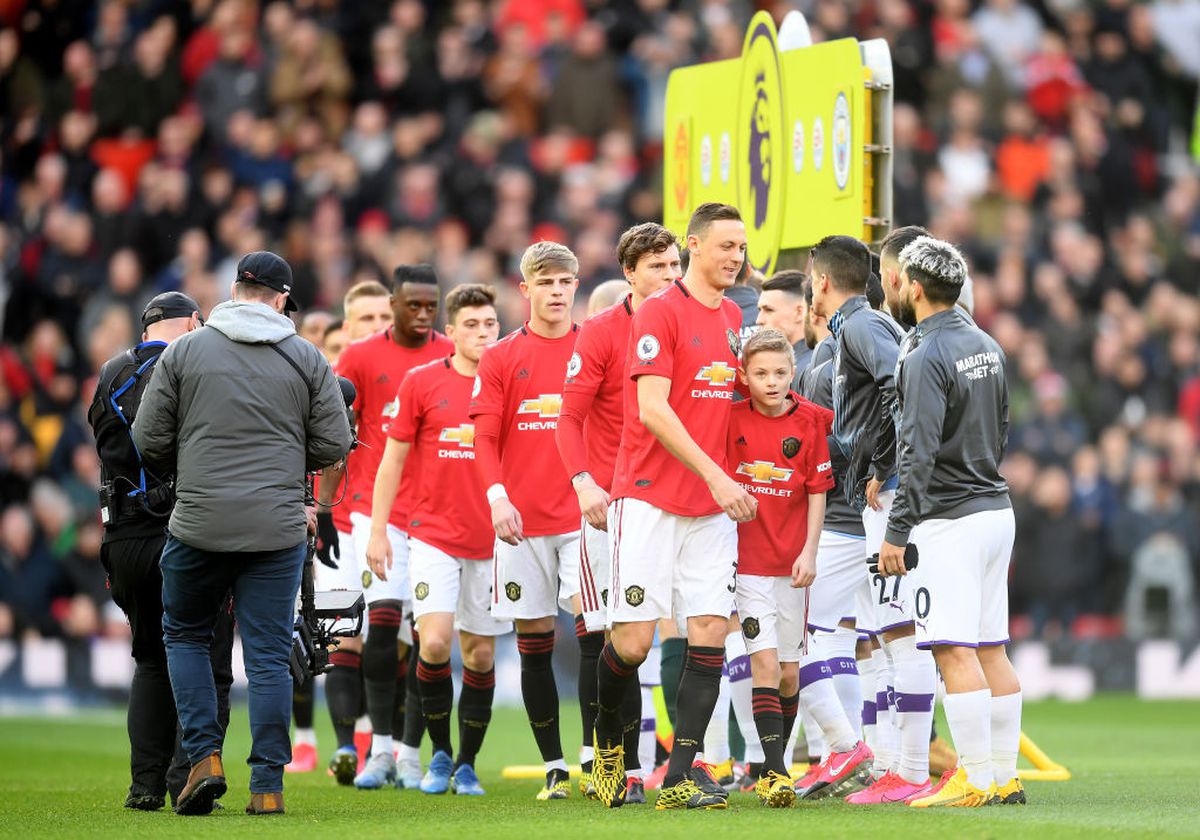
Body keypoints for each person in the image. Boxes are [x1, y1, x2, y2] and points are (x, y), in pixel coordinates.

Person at [133, 251, 353, 816]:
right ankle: (267, 785)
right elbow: (333, 444)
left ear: (233, 291)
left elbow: (147, 439)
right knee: (269, 657)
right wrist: (282, 452)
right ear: (281, 299)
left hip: (198, 522)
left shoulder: (184, 350)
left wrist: (198, 454)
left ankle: (204, 758)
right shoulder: (305, 357)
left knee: (183, 635)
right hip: (276, 529)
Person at [590, 202, 754, 811]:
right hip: (651, 500)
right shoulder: (658, 313)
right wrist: (717, 476)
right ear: (693, 246)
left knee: (709, 630)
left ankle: (682, 772)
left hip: (711, 509)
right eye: (725, 245)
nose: (736, 256)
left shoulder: (735, 315)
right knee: (631, 644)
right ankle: (610, 750)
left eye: (741, 246)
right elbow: (655, 410)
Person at [877, 236, 1023, 808]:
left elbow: (918, 452)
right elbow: (1004, 424)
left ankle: (975, 778)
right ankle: (1004, 776)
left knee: (952, 650)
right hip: (995, 509)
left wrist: (896, 532)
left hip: (949, 520)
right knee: (992, 648)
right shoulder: (987, 343)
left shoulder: (922, 353)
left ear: (914, 287)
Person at [88, 291, 234, 812]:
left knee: (150, 660)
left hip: (122, 540)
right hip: (182, 534)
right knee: (207, 656)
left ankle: (144, 786)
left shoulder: (108, 375)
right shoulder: (192, 367)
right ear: (194, 323)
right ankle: (188, 778)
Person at [810, 234, 940, 803]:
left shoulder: (862, 327)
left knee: (901, 635)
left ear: (819, 282)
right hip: (873, 499)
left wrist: (882, 464)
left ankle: (910, 771)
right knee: (881, 636)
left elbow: (902, 390)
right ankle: (885, 762)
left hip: (885, 499)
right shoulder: (851, 330)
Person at [365, 284, 509, 797]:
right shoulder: (423, 382)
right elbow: (392, 461)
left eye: (489, 324)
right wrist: (379, 531)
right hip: (433, 537)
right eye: (470, 325)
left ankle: (467, 762)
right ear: (450, 332)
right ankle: (439, 754)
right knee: (434, 642)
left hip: (495, 541)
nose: (482, 333)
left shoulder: (509, 381)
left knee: (480, 657)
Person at [556, 222, 681, 806]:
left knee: (702, 631)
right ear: (629, 274)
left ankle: (695, 766)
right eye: (657, 267)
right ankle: (618, 762)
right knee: (619, 640)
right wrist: (583, 483)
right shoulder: (604, 333)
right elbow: (569, 417)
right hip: (615, 507)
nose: (670, 277)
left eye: (674, 265)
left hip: (686, 505)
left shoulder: (699, 320)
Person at [469, 240, 583, 801]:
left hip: (587, 517)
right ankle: (556, 767)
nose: (557, 292)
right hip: (521, 520)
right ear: (526, 290)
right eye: (547, 282)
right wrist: (496, 497)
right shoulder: (499, 358)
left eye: (565, 282)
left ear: (576, 287)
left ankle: (597, 756)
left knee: (599, 635)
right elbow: (484, 437)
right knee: (534, 638)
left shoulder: (596, 349)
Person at [330, 266, 451, 790]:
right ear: (395, 302)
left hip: (436, 515)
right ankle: (378, 749)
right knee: (380, 623)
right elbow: (333, 432)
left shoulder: (450, 352)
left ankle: (409, 752)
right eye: (413, 306)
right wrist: (321, 507)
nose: (423, 316)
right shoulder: (358, 357)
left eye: (431, 306)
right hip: (371, 512)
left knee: (427, 637)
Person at [725, 328, 836, 808]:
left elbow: (817, 489)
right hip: (746, 564)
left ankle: (773, 762)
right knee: (764, 662)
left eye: (780, 373)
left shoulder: (812, 420)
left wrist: (809, 550)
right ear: (744, 376)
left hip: (791, 564)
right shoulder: (729, 420)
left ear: (794, 373)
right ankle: (773, 771)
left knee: (789, 674)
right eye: (760, 373)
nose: (771, 382)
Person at [792, 278, 876, 800]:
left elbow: (814, 459)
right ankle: (864, 755)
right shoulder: (876, 343)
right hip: (870, 512)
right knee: (860, 637)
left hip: (841, 521)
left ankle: (853, 749)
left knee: (802, 636)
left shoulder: (823, 367)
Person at [311, 280, 393, 783]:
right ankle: (346, 747)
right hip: (341, 523)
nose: (378, 327)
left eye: (385, 318)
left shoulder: (412, 372)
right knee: (342, 639)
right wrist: (319, 513)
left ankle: (388, 749)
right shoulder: (334, 379)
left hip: (400, 525)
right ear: (347, 326)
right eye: (366, 319)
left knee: (396, 640)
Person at [756, 270, 814, 381]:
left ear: (799, 312)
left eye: (768, 310)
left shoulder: (809, 369)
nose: (759, 320)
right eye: (760, 310)